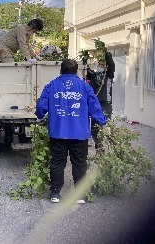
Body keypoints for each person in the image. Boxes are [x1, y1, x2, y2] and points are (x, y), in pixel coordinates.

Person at [35, 59, 106, 204]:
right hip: (79, 134)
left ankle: (55, 193)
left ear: (60, 71)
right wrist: (102, 122)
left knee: (57, 162)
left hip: (58, 133)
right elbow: (95, 107)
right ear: (76, 71)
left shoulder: (52, 85)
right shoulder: (84, 87)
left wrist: (40, 115)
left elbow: (41, 107)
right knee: (79, 163)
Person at [86, 52, 115, 148]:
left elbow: (111, 64)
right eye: (99, 64)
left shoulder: (108, 75)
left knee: (106, 125)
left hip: (105, 104)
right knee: (94, 127)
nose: (99, 66)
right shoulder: (94, 76)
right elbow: (86, 69)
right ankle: (99, 147)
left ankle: (113, 144)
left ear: (106, 67)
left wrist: (107, 55)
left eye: (102, 65)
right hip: (95, 104)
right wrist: (85, 57)